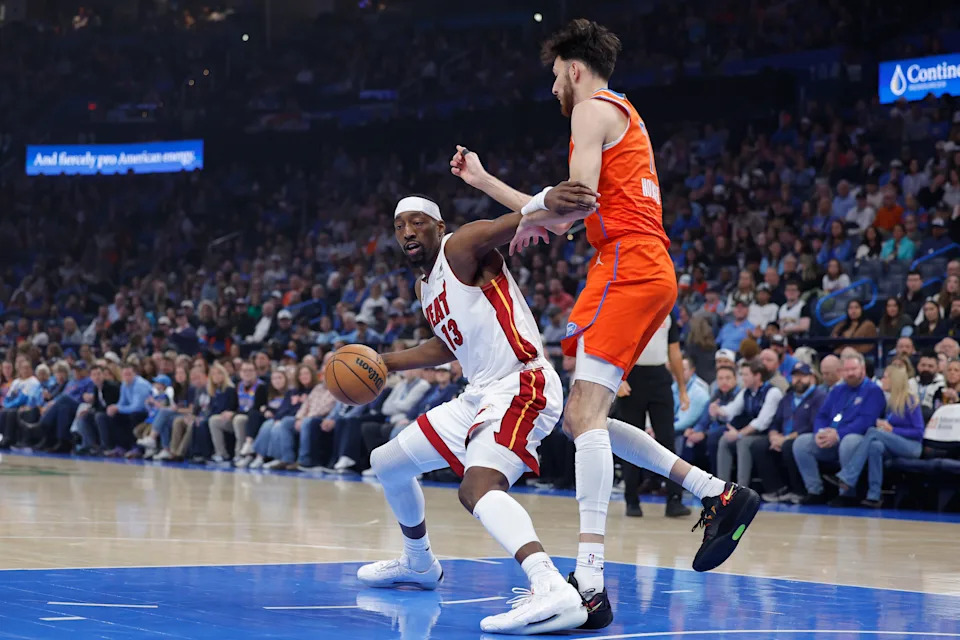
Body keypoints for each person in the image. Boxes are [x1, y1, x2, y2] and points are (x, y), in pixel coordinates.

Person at [450, 19, 759, 631]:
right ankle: (716, 494)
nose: (552, 90)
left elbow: (576, 198)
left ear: (573, 68)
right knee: (584, 418)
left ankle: (589, 582)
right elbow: (565, 212)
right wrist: (488, 184)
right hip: (643, 265)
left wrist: (539, 211)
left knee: (584, 417)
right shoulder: (621, 113)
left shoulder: (591, 108)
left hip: (625, 263)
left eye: (553, 77)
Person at [358, 193, 589, 635]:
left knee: (477, 488)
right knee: (387, 463)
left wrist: (545, 200)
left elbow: (507, 225)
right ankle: (419, 562)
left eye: (417, 222)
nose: (407, 232)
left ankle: (551, 587)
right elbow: (447, 345)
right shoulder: (424, 286)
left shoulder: (459, 247)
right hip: (480, 394)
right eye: (400, 226)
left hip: (522, 382)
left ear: (439, 226)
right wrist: (384, 362)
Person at [615, 312, 692, 519]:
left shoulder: (667, 314)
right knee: (631, 441)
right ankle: (632, 500)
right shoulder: (629, 311)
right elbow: (615, 345)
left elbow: (674, 352)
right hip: (632, 377)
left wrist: (682, 388)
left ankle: (674, 500)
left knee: (667, 439)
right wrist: (619, 377)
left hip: (659, 378)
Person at [792, 352, 886, 505]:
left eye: (853, 369)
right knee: (801, 443)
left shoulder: (873, 391)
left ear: (862, 369)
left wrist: (838, 434)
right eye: (846, 370)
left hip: (859, 438)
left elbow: (866, 421)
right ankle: (815, 491)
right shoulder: (837, 390)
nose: (850, 373)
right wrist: (820, 432)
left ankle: (847, 494)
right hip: (831, 437)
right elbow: (822, 415)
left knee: (848, 441)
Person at [826, 365, 924, 508]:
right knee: (875, 446)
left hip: (912, 447)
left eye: (885, 377)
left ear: (894, 380)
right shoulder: (891, 402)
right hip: (896, 443)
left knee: (873, 432)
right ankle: (874, 495)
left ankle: (848, 476)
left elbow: (919, 432)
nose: (882, 380)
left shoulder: (910, 400)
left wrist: (893, 430)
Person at [749, 363, 826, 503]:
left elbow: (813, 425)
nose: (799, 379)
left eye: (803, 376)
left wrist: (786, 438)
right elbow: (776, 421)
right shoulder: (788, 398)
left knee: (789, 446)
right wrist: (773, 436)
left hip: (801, 438)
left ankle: (798, 490)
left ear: (811, 378)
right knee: (758, 445)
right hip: (782, 437)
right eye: (795, 376)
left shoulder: (819, 397)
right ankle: (777, 489)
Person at [709, 359, 784, 488]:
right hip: (753, 433)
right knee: (725, 440)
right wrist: (717, 410)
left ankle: (742, 488)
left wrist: (739, 434)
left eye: (745, 375)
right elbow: (731, 410)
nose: (742, 378)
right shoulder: (746, 392)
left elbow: (762, 422)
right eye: (742, 374)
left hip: (770, 433)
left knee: (742, 442)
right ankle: (722, 487)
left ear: (757, 376)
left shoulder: (773, 392)